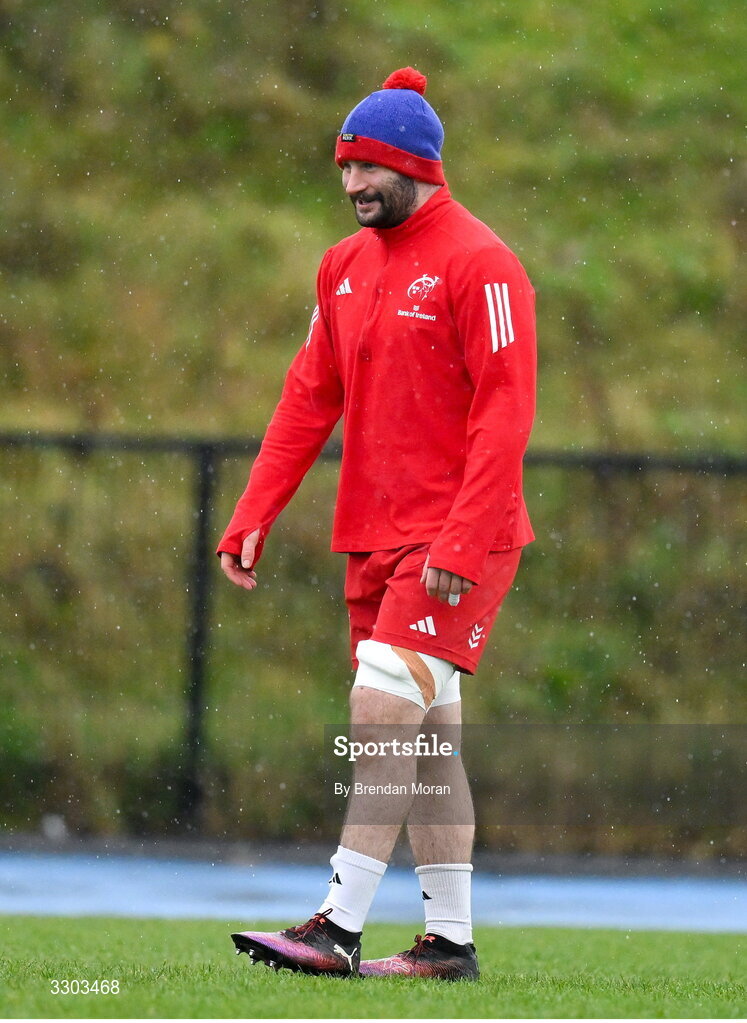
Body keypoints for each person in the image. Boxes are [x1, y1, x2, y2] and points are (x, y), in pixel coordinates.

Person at [218, 66, 536, 980]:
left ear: (417, 166)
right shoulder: (342, 266)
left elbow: (506, 412)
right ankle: (449, 944)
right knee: (427, 741)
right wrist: (254, 511)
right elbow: (306, 395)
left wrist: (463, 537)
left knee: (380, 704)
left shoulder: (484, 264)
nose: (352, 185)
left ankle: (336, 922)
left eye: (369, 170)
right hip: (374, 534)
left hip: (457, 540)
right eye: (343, 169)